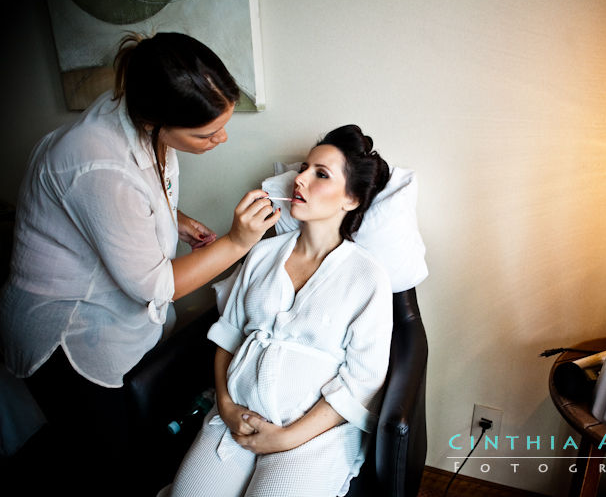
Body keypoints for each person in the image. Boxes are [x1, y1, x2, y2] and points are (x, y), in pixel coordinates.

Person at [0, 33, 279, 494]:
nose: (220, 139)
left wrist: (176, 219)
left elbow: (141, 196)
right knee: (108, 460)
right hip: (65, 330)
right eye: (207, 134)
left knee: (136, 438)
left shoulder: (142, 126)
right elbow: (152, 284)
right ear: (155, 121)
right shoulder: (97, 163)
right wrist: (236, 242)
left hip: (114, 317)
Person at [169, 125, 393, 497]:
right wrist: (225, 406)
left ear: (350, 199)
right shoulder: (262, 253)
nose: (299, 179)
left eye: (320, 174)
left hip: (312, 437)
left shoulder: (367, 277)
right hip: (235, 419)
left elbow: (362, 381)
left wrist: (288, 437)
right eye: (304, 167)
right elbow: (228, 335)